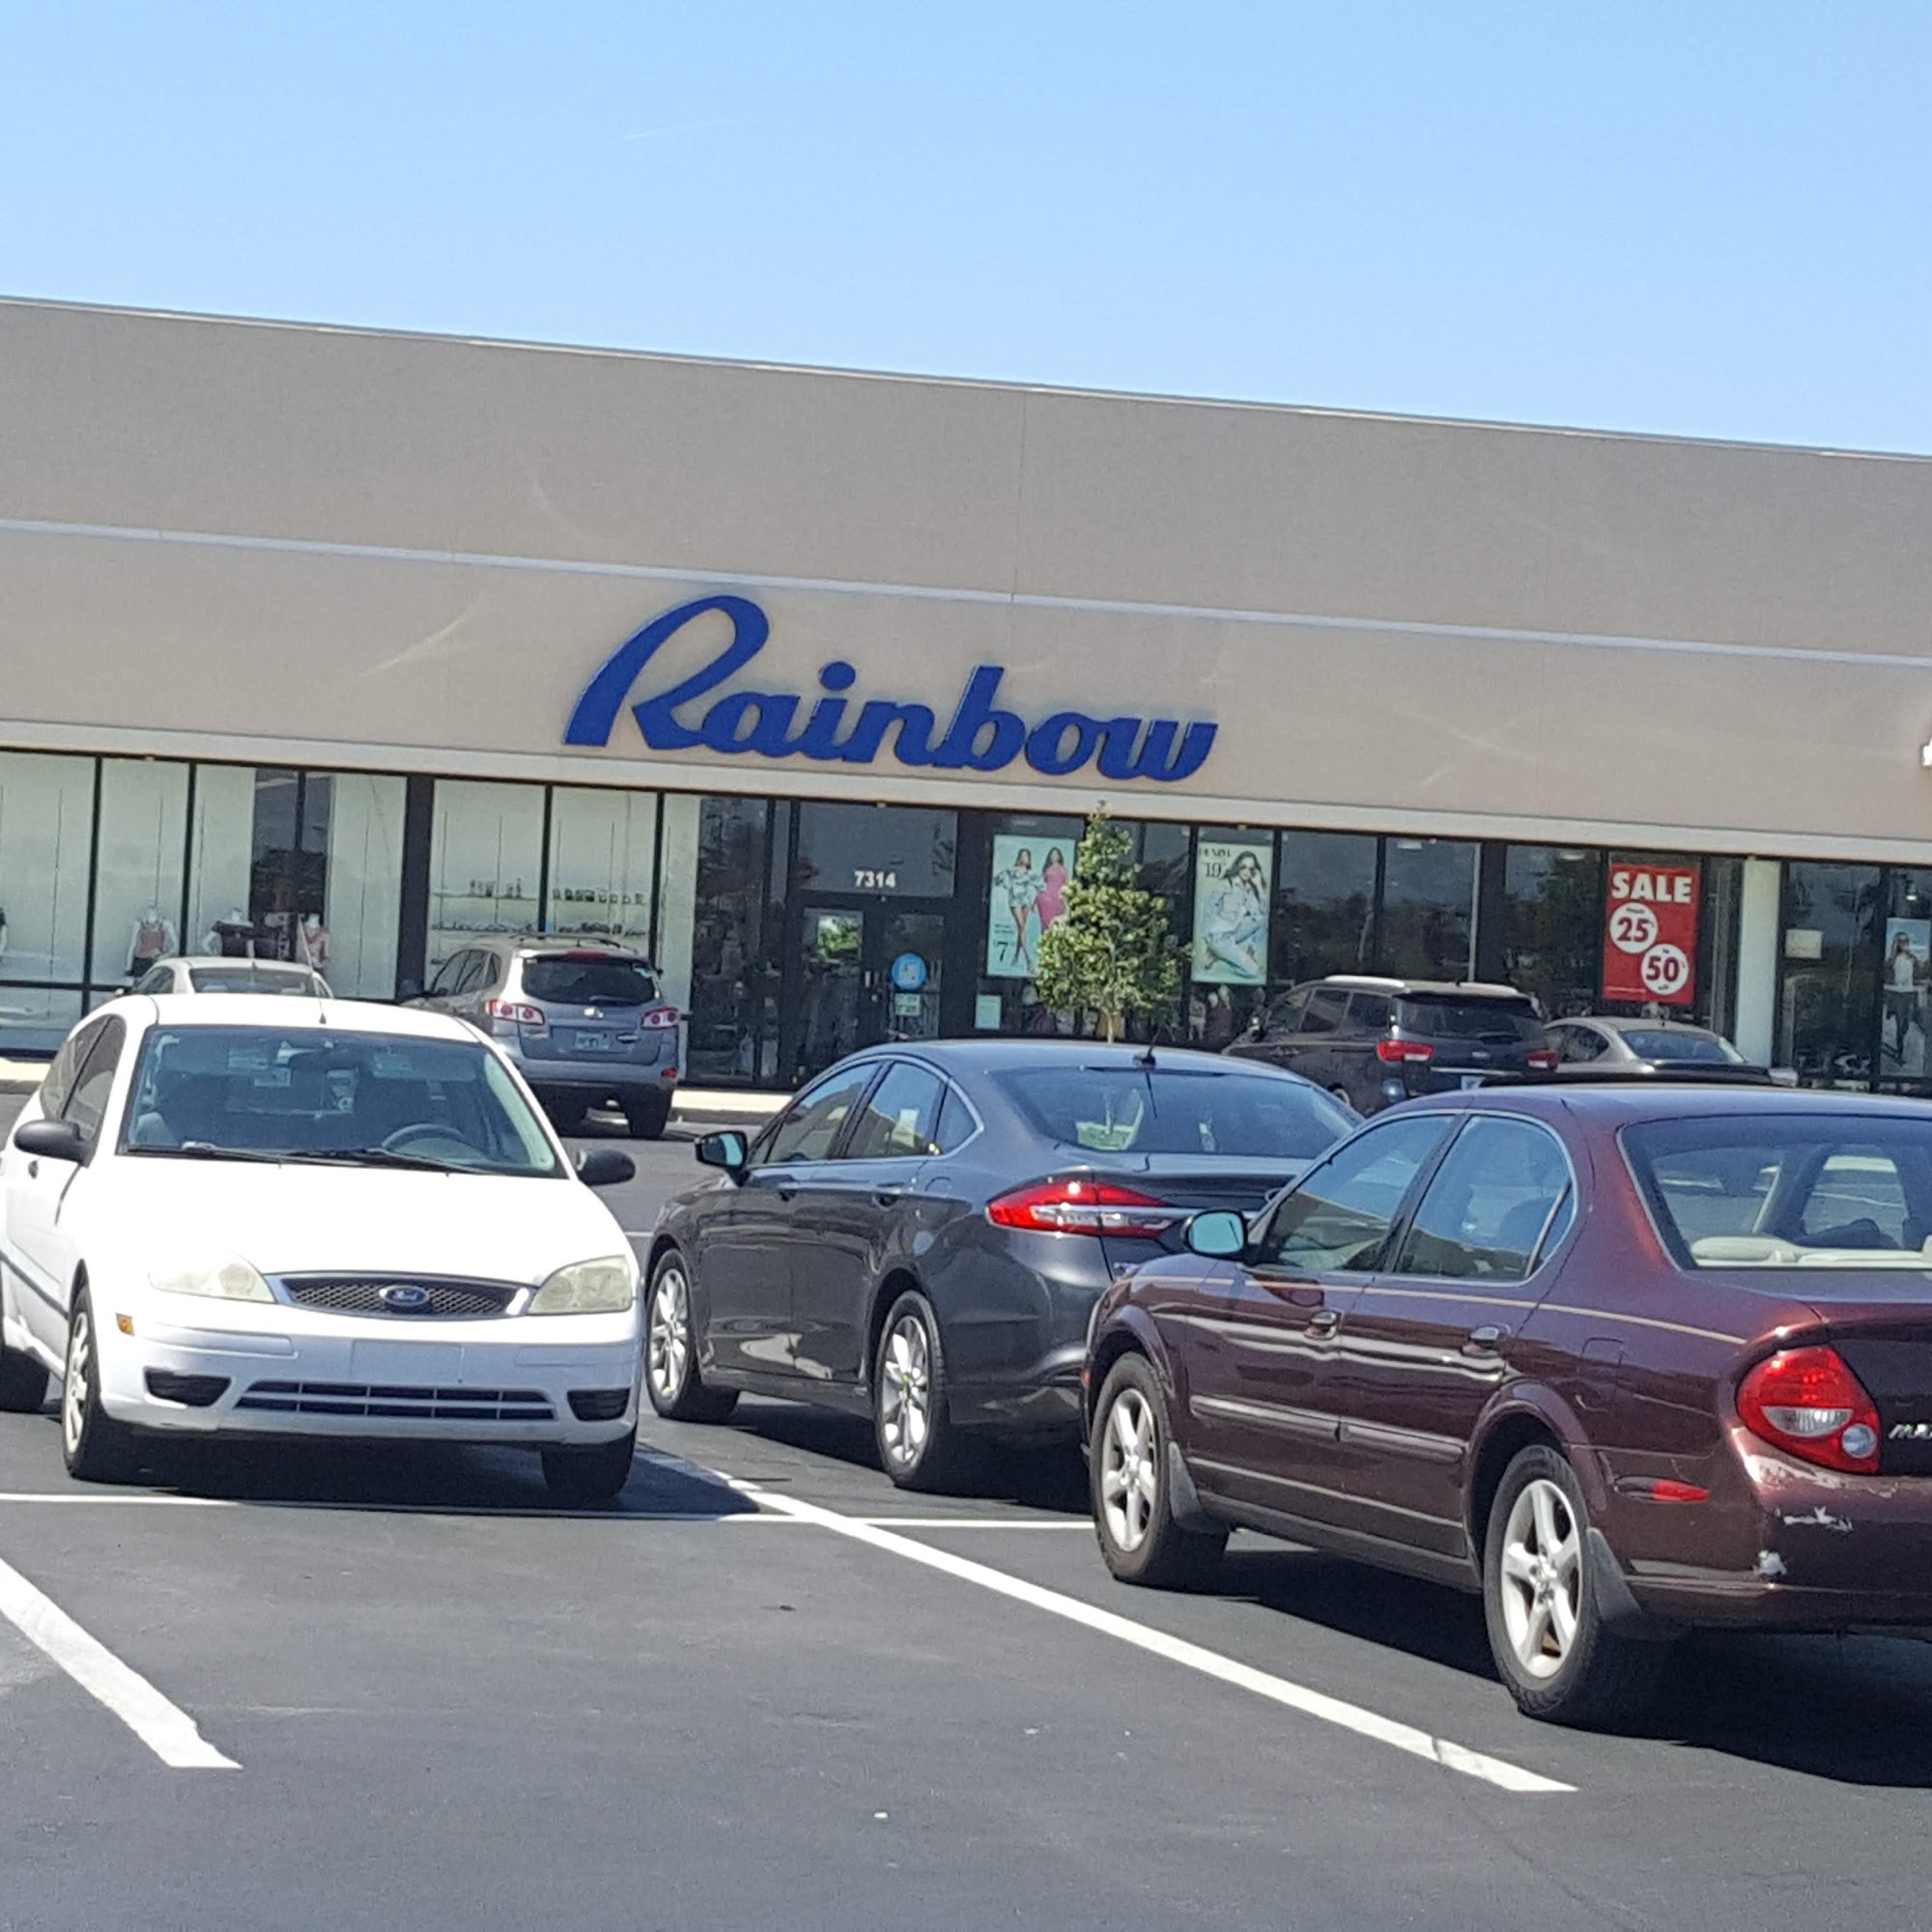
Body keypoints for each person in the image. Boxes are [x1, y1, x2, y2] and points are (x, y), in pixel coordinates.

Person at [1198, 849, 1267, 981]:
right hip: (1219, 937)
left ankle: (1248, 952)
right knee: (1253, 971)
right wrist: (1206, 935)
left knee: (1262, 920)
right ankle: (1220, 954)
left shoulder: (1250, 889)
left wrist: (1259, 886)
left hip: (1234, 932)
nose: (1247, 871)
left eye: (1251, 869)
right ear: (1237, 867)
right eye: (1243, 867)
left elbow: (1263, 912)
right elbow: (1209, 908)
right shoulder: (1226, 885)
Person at [996, 848, 1041, 973]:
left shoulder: (1030, 873)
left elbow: (1040, 885)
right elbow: (999, 878)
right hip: (1015, 901)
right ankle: (1028, 960)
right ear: (1019, 857)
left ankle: (1015, 958)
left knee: (1022, 930)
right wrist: (1006, 885)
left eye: (1026, 856)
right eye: (1022, 855)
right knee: (1021, 926)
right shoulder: (1012, 870)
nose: (1024, 858)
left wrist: (1034, 901)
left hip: (1025, 901)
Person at [1036, 847, 1068, 933]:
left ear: (1059, 856)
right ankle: (1043, 937)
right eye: (1052, 854)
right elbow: (1041, 883)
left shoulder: (1063, 869)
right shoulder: (1047, 869)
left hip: (1059, 899)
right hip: (1047, 899)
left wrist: (1066, 899)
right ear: (1050, 856)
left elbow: (1066, 884)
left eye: (1056, 854)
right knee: (1045, 922)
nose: (1054, 856)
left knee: (1058, 922)